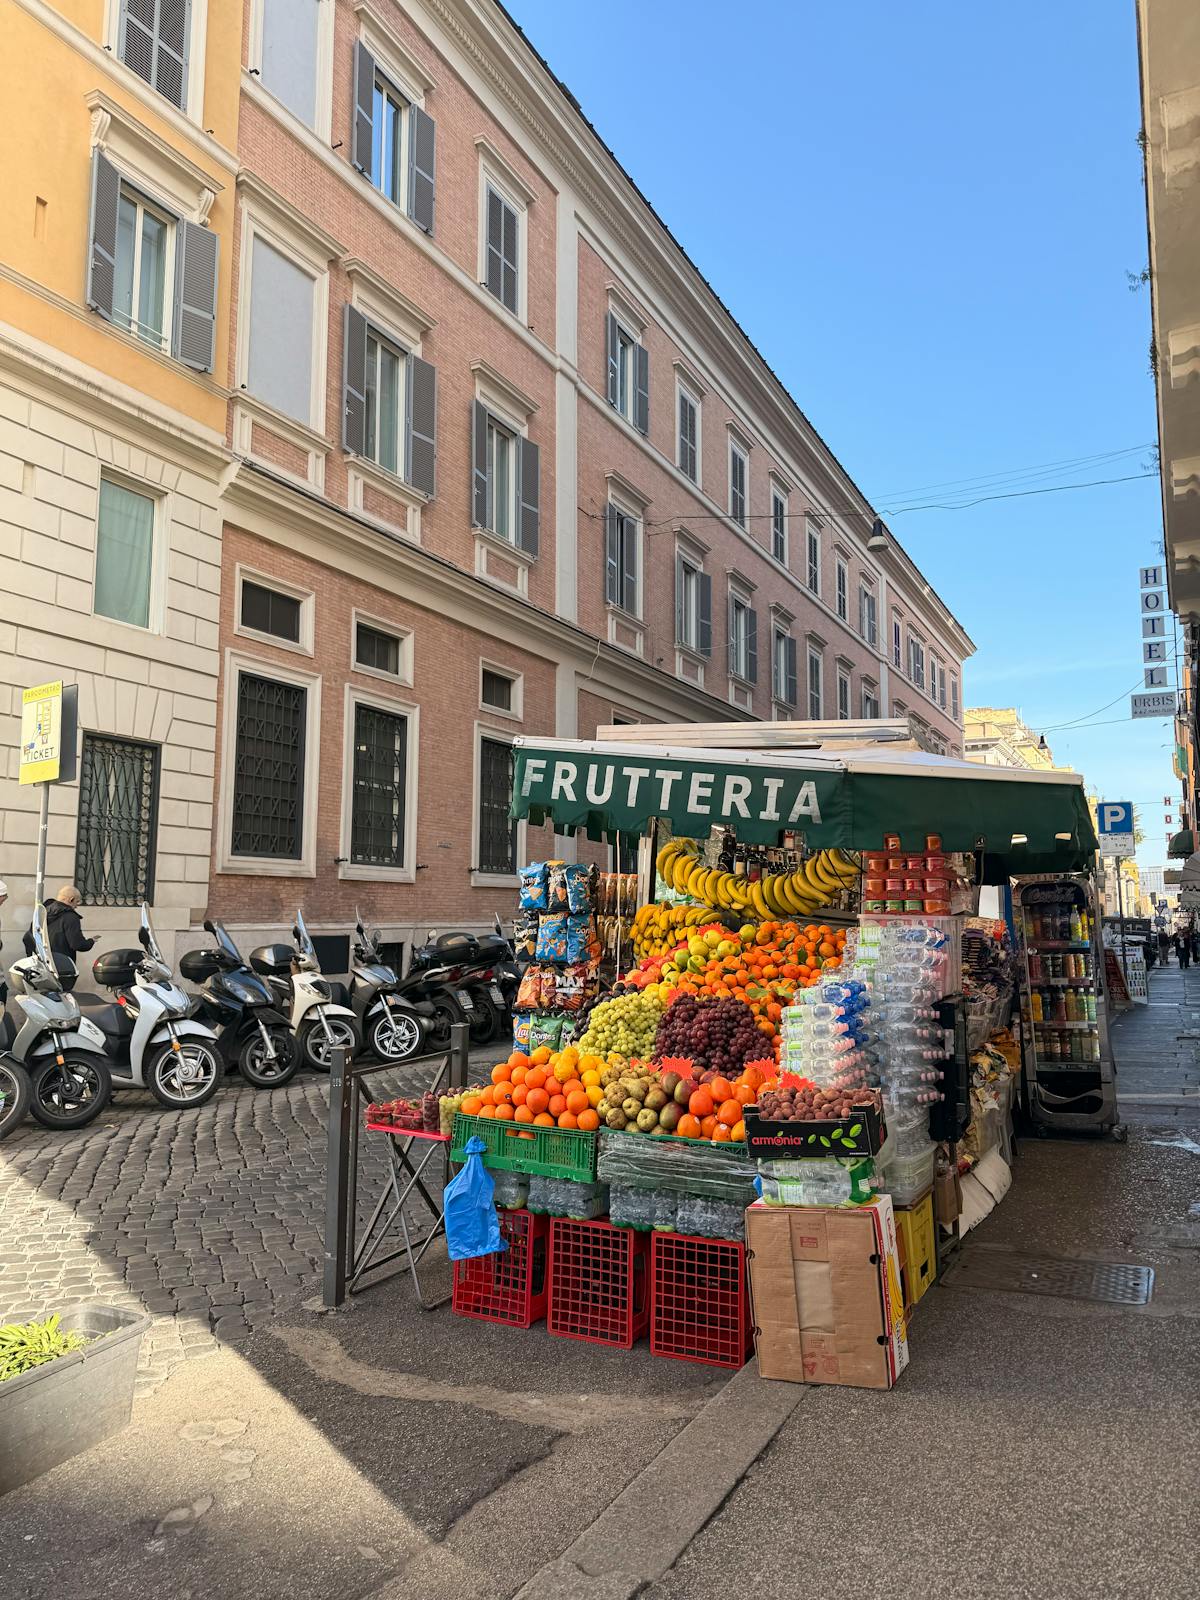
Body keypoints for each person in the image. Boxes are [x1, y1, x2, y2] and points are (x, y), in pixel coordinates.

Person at [24, 884, 95, 986]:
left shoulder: (42, 914)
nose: (77, 906)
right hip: (62, 967)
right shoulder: (70, 917)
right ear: (71, 899)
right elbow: (77, 944)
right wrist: (91, 941)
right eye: (77, 902)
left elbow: (27, 938)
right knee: (62, 996)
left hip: (41, 965)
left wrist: (34, 957)